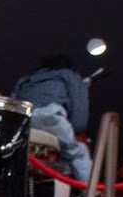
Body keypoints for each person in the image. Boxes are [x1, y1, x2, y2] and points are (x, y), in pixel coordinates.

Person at [14, 53, 92, 183]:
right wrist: (76, 131)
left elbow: (13, 101)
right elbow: (79, 111)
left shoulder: (26, 80)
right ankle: (92, 195)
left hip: (22, 120)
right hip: (50, 116)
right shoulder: (69, 76)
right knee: (77, 152)